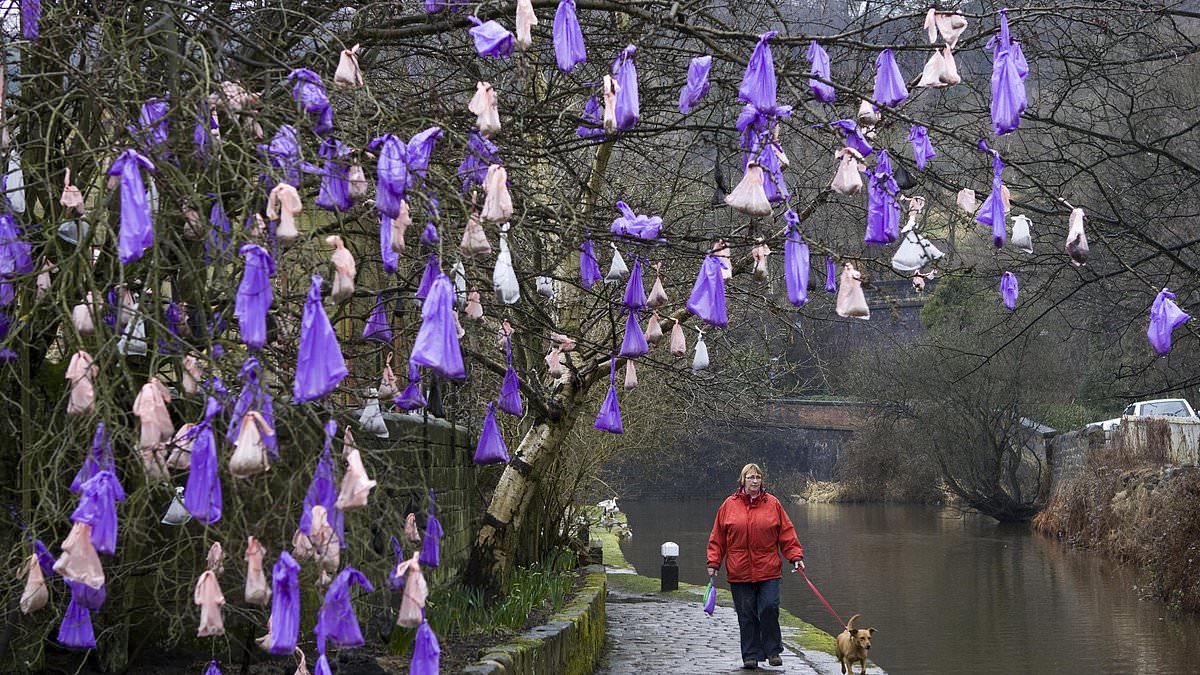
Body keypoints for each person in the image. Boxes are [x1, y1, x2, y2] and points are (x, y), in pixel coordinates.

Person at [707, 463, 805, 670]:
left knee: (769, 607)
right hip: (739, 571)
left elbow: (786, 533)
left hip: (768, 569)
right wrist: (714, 562)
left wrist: (795, 556)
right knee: (746, 614)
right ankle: (750, 655)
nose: (754, 481)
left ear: (762, 481)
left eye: (758, 478)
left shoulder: (773, 504)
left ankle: (773, 651)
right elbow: (718, 537)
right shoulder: (728, 505)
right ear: (743, 480)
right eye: (750, 477)